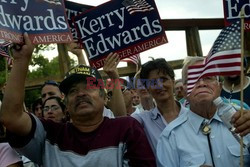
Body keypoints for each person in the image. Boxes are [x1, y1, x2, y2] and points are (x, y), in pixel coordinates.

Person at [0, 33, 156, 167]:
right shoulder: (49, 134)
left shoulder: (127, 128)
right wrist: (21, 60)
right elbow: (11, 118)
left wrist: (113, 76)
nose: (81, 94)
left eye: (89, 88)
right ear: (66, 104)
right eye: (73, 91)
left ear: (104, 98)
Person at [156, 56, 250, 167]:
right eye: (193, 79)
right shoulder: (170, 136)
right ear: (184, 91)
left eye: (208, 78)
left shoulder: (243, 119)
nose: (201, 84)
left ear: (219, 87)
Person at [132, 58, 188, 155]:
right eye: (153, 82)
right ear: (147, 88)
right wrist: (114, 76)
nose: (159, 85)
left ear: (173, 82)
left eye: (164, 79)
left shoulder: (192, 116)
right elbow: (119, 123)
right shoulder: (143, 120)